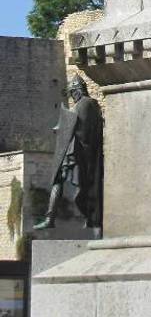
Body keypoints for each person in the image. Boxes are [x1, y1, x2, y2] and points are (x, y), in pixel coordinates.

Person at [34, 76, 103, 230]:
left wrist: (62, 128)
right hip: (85, 153)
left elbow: (78, 131)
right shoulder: (94, 105)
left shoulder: (82, 105)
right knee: (83, 188)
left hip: (76, 153)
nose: (72, 97)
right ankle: (89, 221)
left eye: (73, 94)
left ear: (77, 91)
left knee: (59, 180)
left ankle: (50, 219)